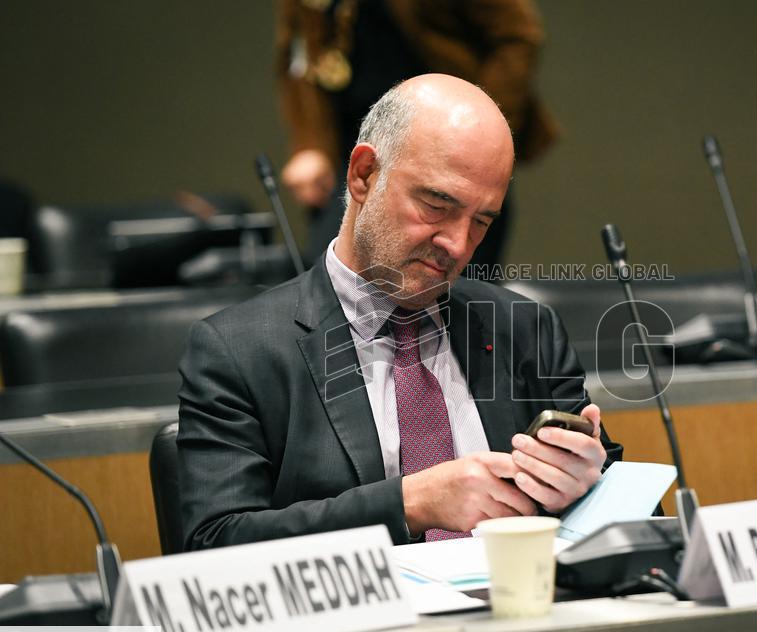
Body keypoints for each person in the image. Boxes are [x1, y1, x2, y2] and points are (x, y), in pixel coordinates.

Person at [177, 74, 618, 549]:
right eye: (436, 205)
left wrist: (587, 493)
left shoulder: (526, 329)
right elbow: (215, 543)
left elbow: (638, 526)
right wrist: (409, 504)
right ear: (364, 175)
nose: (457, 243)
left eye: (481, 222)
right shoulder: (239, 351)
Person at [275, 0, 558, 264]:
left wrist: (480, 125)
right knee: (340, 272)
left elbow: (517, 36)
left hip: (454, 148)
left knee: (457, 285)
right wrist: (310, 145)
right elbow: (299, 53)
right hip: (355, 146)